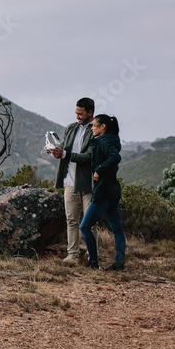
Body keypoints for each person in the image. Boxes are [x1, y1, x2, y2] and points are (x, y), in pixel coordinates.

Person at [46, 97, 94, 263]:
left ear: (90, 112)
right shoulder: (71, 128)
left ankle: (91, 256)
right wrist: (54, 151)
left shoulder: (96, 130)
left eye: (80, 114)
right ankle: (72, 255)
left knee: (89, 222)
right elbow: (65, 148)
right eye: (76, 113)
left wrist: (65, 154)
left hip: (88, 183)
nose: (77, 117)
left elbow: (89, 157)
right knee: (71, 220)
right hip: (69, 181)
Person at [79, 114, 125, 270]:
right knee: (117, 229)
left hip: (104, 191)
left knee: (84, 227)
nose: (91, 128)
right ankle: (119, 263)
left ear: (102, 126)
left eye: (94, 125)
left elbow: (115, 157)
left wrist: (99, 169)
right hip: (112, 191)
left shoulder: (103, 141)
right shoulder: (111, 140)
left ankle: (93, 262)